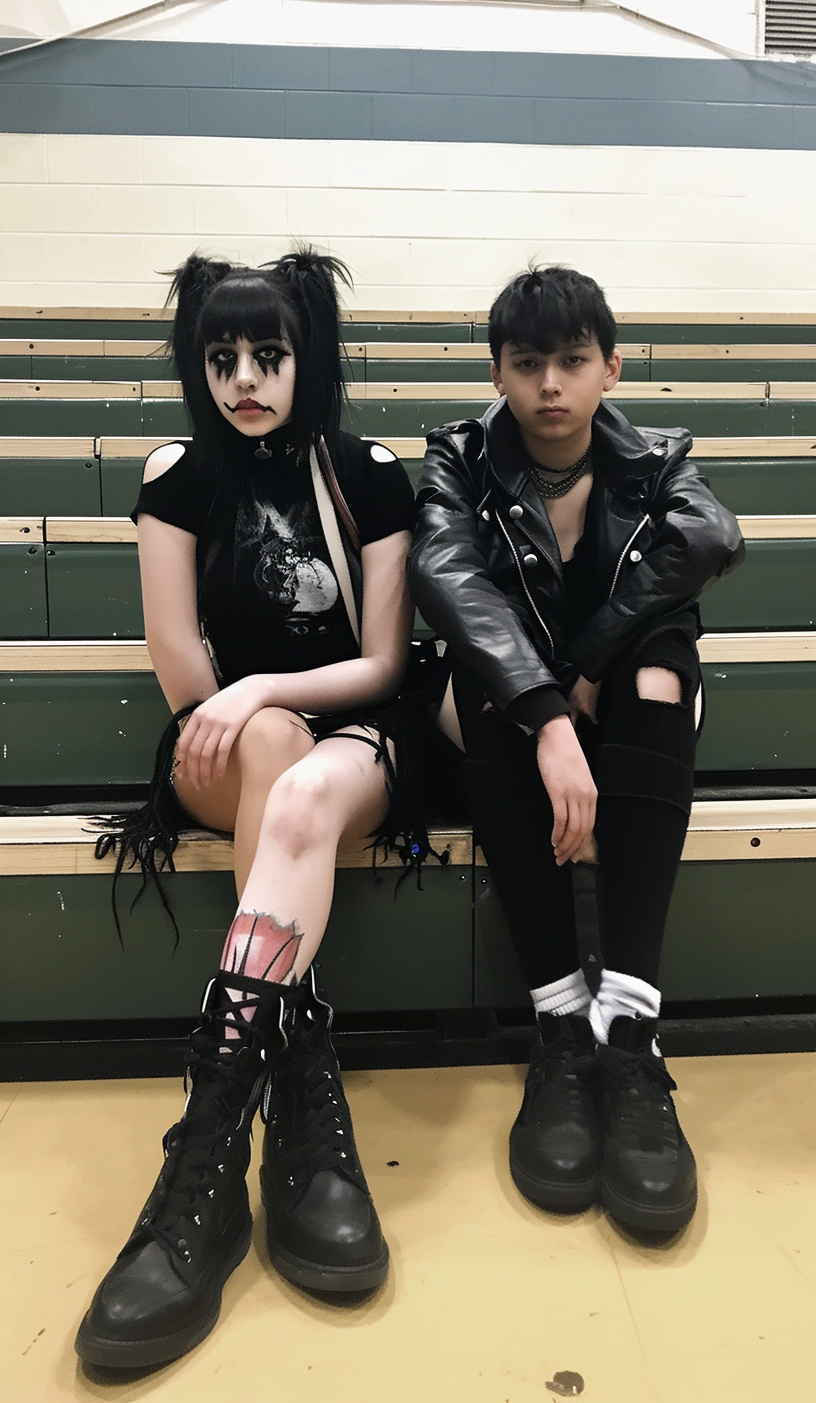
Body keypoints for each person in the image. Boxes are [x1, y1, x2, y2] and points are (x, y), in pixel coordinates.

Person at [76, 249, 417, 1369]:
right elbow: (179, 659)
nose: (243, 378)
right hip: (214, 746)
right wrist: (241, 705)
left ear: (306, 355)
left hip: (344, 742)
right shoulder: (180, 470)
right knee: (268, 748)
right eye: (219, 357)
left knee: (300, 761)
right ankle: (296, 1079)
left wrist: (264, 683)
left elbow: (379, 664)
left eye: (266, 354)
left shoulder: (364, 470)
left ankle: (210, 1146)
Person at [408, 265, 744, 1234]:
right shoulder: (460, 458)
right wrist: (552, 711)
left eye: (571, 360)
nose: (550, 384)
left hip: (624, 708)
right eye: (527, 364)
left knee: (659, 663)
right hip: (515, 710)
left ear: (611, 367)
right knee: (485, 685)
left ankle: (628, 1024)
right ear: (498, 372)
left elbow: (710, 536)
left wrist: (593, 658)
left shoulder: (656, 458)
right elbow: (445, 577)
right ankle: (560, 1020)